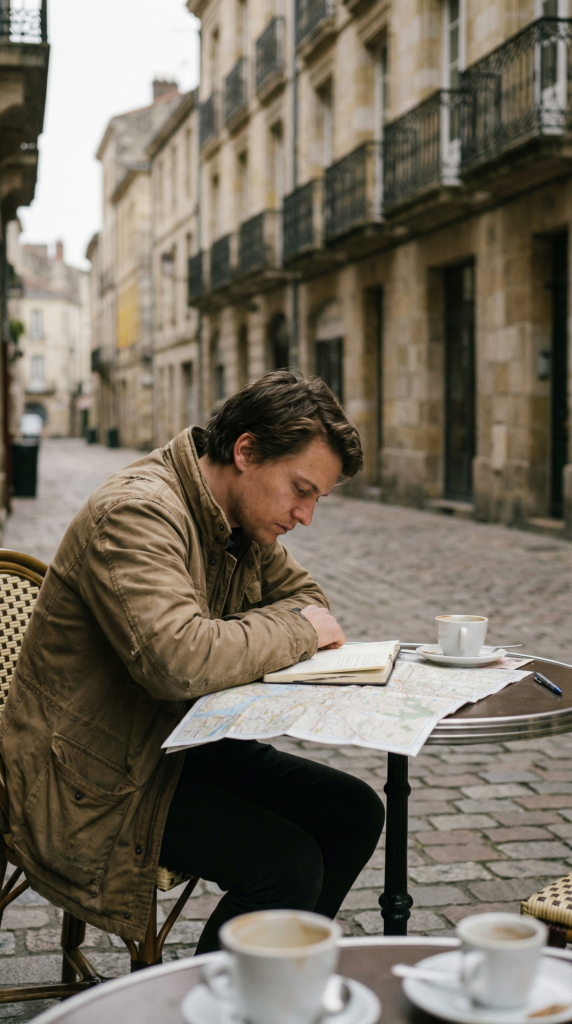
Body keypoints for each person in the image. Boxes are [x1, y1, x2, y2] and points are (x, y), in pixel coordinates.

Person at [0, 371, 384, 953]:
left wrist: (263, 633)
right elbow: (177, 660)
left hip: (175, 744)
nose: (305, 515)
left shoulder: (239, 516)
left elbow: (312, 603)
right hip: (91, 775)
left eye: (316, 498)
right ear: (246, 450)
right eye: (300, 489)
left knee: (353, 811)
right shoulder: (136, 513)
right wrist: (291, 630)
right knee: (285, 866)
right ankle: (222, 1006)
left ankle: (277, 986)